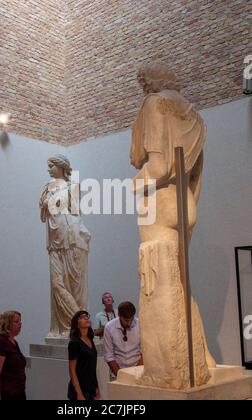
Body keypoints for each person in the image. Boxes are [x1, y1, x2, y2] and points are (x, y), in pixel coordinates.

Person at [130, 61, 216, 388]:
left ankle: (167, 373)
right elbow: (193, 174)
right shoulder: (192, 114)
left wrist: (132, 186)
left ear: (149, 82)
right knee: (181, 282)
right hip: (185, 201)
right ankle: (200, 361)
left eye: (142, 84)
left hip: (159, 200)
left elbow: (158, 166)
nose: (143, 90)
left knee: (157, 283)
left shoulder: (153, 104)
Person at [39, 155, 91, 337]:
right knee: (57, 284)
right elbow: (44, 215)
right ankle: (72, 324)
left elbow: (75, 212)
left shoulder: (72, 186)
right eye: (48, 166)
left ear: (62, 167)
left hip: (70, 238)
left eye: (51, 165)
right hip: (54, 242)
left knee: (73, 284)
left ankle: (76, 328)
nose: (49, 169)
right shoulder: (46, 188)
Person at [0, 311, 26, 401]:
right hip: (7, 394)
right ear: (7, 324)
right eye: (16, 321)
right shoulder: (1, 342)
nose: (20, 324)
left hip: (18, 392)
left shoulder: (14, 342)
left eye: (20, 321)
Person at [103, 302, 143, 378]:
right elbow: (109, 355)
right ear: (119, 315)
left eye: (131, 319)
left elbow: (145, 352)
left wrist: (136, 373)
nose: (129, 323)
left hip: (138, 371)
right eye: (126, 320)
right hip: (118, 372)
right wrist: (120, 376)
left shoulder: (140, 324)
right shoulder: (109, 327)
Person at [68, 311, 100, 401]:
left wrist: (96, 387)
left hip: (91, 388)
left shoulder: (90, 340)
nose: (86, 318)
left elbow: (92, 366)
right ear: (77, 324)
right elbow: (72, 370)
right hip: (80, 390)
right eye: (82, 317)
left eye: (87, 316)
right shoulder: (74, 343)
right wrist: (79, 393)